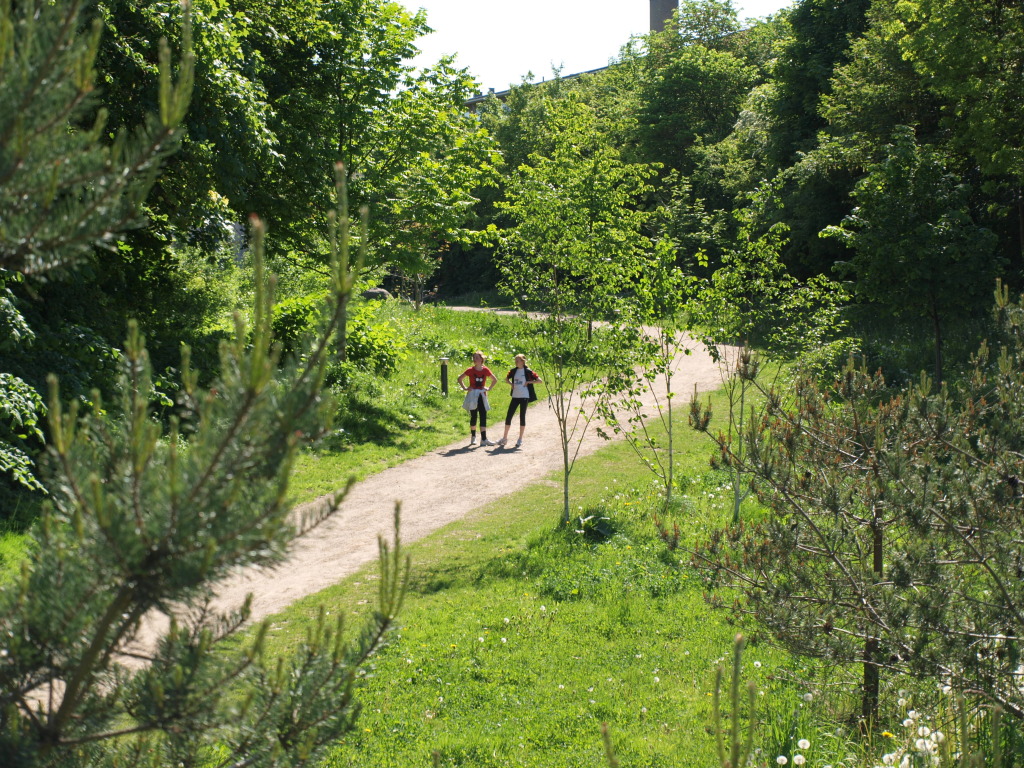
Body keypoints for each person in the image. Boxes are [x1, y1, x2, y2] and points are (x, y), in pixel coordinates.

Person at [498, 354, 541, 449]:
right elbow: (506, 379)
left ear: (523, 361)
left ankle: (520, 439)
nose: (516, 362)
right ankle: (504, 438)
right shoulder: (513, 371)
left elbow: (539, 380)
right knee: (509, 416)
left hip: (524, 396)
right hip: (515, 396)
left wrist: (529, 382)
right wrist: (511, 384)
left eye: (518, 360)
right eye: (515, 360)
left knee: (522, 417)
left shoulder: (528, 371)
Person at [457, 351, 498, 446]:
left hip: (481, 395)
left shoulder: (485, 370)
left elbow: (494, 380)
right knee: (474, 416)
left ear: (481, 359)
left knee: (483, 415)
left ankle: (484, 439)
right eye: (474, 358)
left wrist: (489, 388)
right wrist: (465, 388)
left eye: (477, 357)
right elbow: (460, 379)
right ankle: (473, 437)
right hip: (472, 395)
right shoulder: (470, 370)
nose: (475, 359)